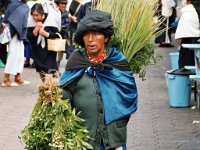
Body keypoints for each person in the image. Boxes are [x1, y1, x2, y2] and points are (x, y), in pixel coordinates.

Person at [59, 10, 138, 150]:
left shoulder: (116, 60)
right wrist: (54, 95)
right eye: (86, 34)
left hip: (113, 139)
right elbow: (65, 91)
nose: (90, 39)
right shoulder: (77, 59)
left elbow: (129, 95)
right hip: (83, 138)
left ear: (106, 37)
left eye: (96, 34)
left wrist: (117, 119)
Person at [26, 3, 61, 82]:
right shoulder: (31, 22)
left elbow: (58, 35)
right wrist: (35, 30)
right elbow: (29, 38)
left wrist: (47, 34)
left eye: (37, 15)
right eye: (33, 15)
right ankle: (46, 89)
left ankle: (50, 89)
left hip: (49, 50)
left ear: (42, 13)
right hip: (37, 50)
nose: (35, 17)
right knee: (41, 71)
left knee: (49, 70)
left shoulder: (50, 20)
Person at [1, 0, 30, 87]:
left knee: (20, 56)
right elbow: (7, 19)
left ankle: (17, 77)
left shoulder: (24, 6)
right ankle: (6, 79)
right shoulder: (14, 4)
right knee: (13, 55)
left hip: (19, 34)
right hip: (13, 33)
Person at [175, 0, 200, 69]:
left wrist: (179, 38)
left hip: (187, 38)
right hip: (197, 38)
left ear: (188, 1)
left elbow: (183, 26)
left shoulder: (187, 10)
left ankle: (186, 78)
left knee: (185, 64)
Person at [54, 0, 70, 69]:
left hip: (63, 36)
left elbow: (67, 25)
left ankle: (56, 67)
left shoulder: (66, 13)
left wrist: (61, 27)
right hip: (53, 36)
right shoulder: (54, 12)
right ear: (57, 4)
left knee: (60, 53)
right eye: (62, 4)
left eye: (65, 4)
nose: (64, 5)